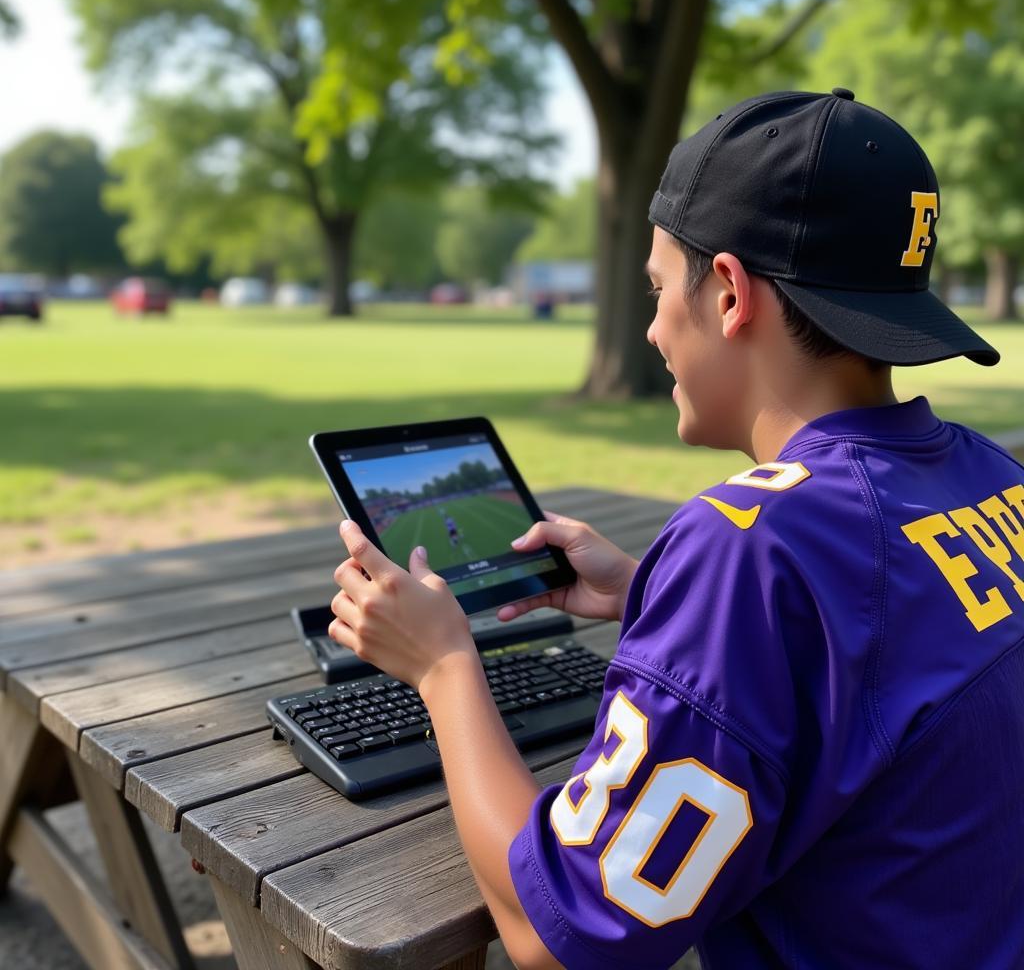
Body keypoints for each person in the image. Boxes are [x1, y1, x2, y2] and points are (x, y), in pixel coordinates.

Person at [326, 89, 1024, 969]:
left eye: (658, 289)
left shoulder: (751, 546)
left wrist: (443, 666)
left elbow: (558, 932)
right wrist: (652, 594)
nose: (653, 329)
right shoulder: (992, 474)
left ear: (729, 293)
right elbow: (884, 650)